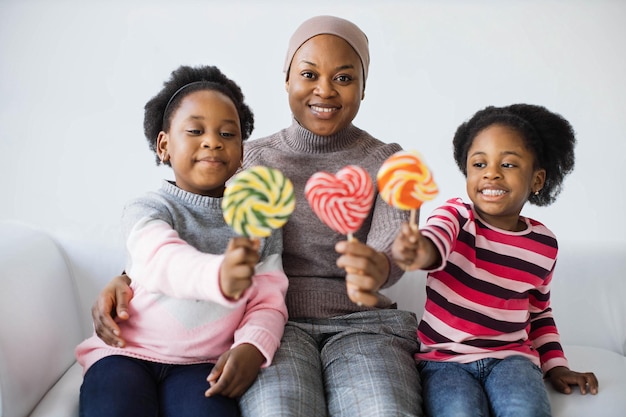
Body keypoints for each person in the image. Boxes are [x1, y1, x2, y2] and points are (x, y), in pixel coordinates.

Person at [91, 15, 423, 417]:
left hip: (363, 326)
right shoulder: (247, 161)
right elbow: (200, 224)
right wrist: (128, 277)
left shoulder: (389, 162)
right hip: (271, 328)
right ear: (286, 80)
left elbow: (394, 241)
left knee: (382, 409)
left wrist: (380, 264)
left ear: (363, 87)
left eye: (344, 78)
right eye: (308, 74)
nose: (324, 89)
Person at [76, 65, 289, 417]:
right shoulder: (148, 207)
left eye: (228, 133)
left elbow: (268, 300)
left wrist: (253, 346)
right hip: (126, 351)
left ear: (241, 154)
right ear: (164, 146)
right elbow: (161, 259)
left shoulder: (259, 218)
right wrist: (219, 276)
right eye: (195, 130)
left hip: (201, 364)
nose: (212, 141)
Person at [391, 103, 599, 417]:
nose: (491, 172)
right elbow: (435, 242)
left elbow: (539, 313)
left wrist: (556, 366)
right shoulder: (457, 216)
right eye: (479, 163)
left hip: (513, 360)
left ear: (537, 180)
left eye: (509, 164)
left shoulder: (544, 244)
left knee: (526, 411)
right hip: (444, 363)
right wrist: (420, 250)